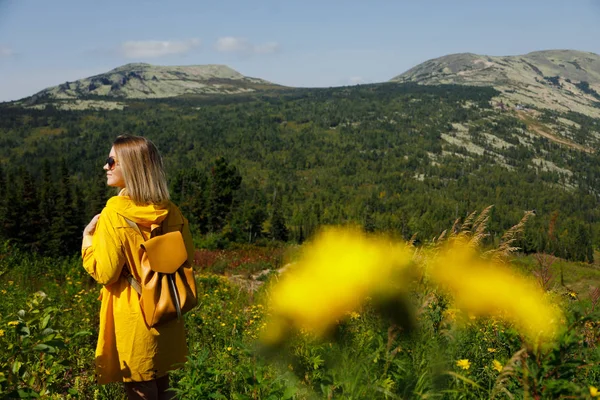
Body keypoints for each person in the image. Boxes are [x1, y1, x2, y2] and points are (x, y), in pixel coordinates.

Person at [82, 134, 194, 399]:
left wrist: (87, 240)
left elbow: (105, 273)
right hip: (167, 310)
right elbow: (186, 256)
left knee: (140, 388)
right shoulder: (171, 211)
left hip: (133, 317)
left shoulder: (114, 212)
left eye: (111, 161)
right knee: (165, 386)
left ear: (131, 167)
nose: (105, 166)